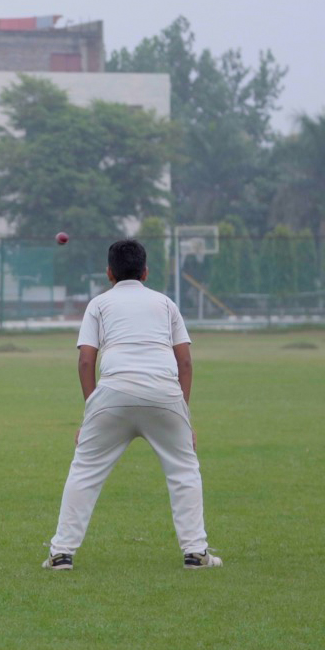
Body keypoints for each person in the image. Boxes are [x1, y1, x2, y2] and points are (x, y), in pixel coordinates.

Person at [43, 239, 219, 571]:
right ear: (146, 271)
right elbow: (185, 363)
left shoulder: (98, 304)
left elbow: (85, 362)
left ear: (109, 273)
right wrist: (183, 417)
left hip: (113, 391)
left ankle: (61, 553)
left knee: (84, 472)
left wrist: (92, 410)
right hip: (164, 392)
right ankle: (195, 552)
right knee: (184, 472)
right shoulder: (166, 303)